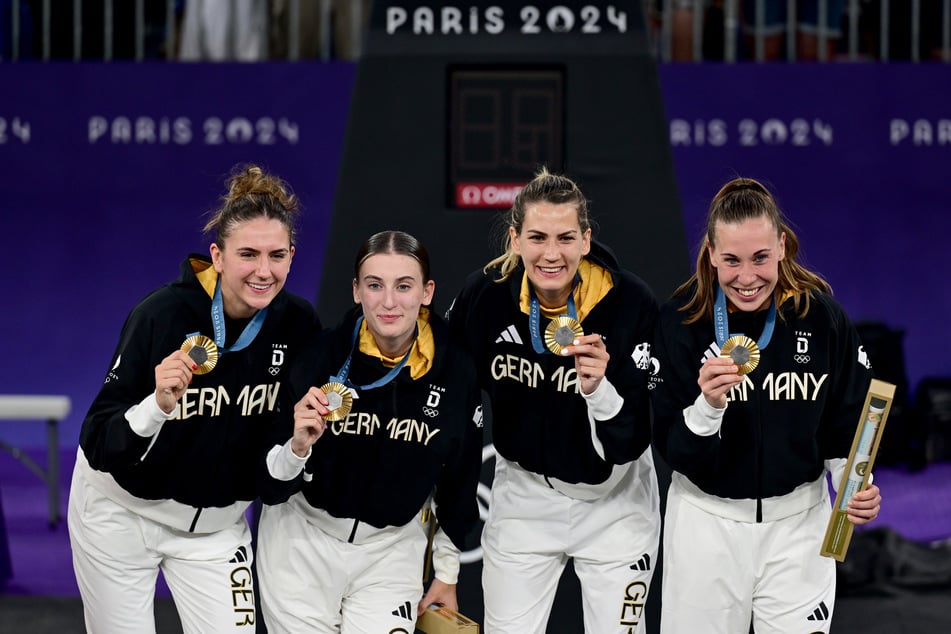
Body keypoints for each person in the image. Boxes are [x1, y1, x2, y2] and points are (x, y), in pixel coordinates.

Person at [67, 164, 319, 632]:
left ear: (291, 256)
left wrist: (299, 448)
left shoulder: (300, 326)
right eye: (247, 254)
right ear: (217, 256)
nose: (263, 271)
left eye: (276, 255)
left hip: (217, 529)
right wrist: (157, 405)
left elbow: (274, 458)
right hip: (121, 515)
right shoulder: (161, 315)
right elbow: (100, 439)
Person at [650, 176, 883, 634]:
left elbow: (847, 424)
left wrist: (855, 482)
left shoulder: (821, 318)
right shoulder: (681, 322)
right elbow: (671, 450)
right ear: (712, 254)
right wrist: (708, 406)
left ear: (781, 245)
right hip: (704, 527)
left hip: (799, 529)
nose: (747, 277)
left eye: (760, 257)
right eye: (732, 260)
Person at [447, 168, 661, 633]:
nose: (551, 254)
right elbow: (452, 408)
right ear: (515, 238)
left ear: (586, 240)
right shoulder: (485, 298)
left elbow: (630, 443)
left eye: (565, 237)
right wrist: (446, 553)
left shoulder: (630, 303)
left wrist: (600, 391)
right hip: (523, 499)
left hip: (616, 502)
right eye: (537, 237)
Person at [255, 230, 484, 633]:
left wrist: (447, 573)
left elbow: (460, 480)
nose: (389, 302)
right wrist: (297, 446)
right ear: (357, 291)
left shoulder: (457, 374)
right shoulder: (318, 357)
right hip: (301, 544)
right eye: (375, 285)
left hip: (391, 551)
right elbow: (270, 484)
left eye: (404, 286)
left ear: (427, 292)